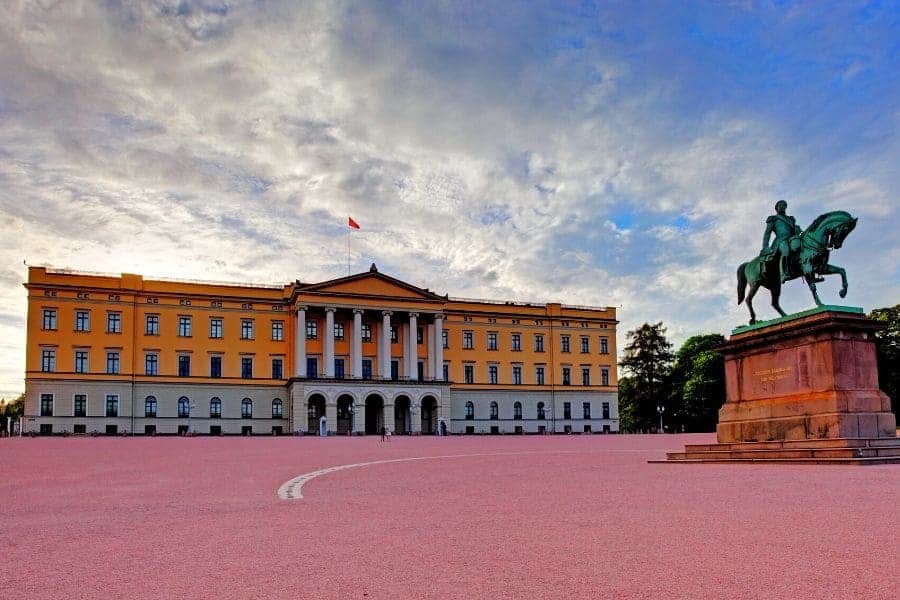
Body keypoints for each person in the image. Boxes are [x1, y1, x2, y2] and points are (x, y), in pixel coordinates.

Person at [760, 200, 802, 283]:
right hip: (781, 240)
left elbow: (795, 231)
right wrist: (765, 247)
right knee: (785, 250)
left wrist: (798, 230)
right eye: (780, 205)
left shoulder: (791, 219)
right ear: (777, 208)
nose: (782, 207)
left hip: (792, 239)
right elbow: (767, 233)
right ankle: (783, 273)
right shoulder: (773, 219)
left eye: (784, 205)